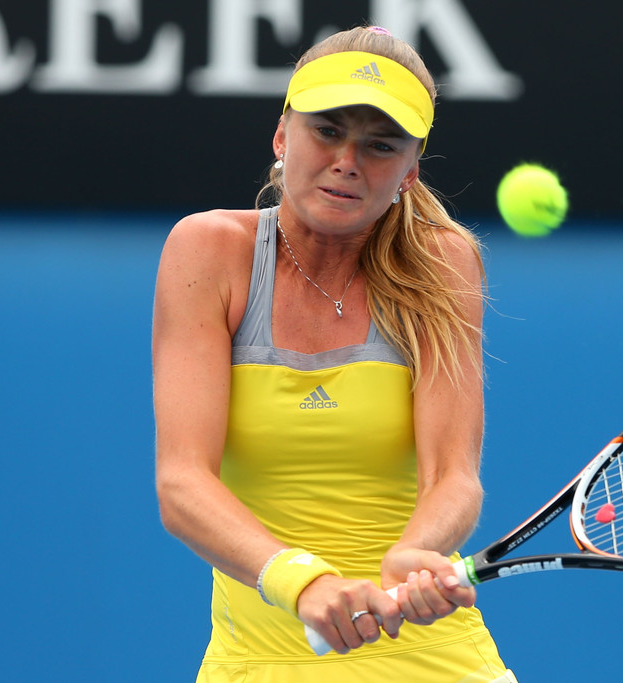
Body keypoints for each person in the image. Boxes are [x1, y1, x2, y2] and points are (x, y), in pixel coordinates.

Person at [152, 25, 516, 682]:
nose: (348, 160)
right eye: (327, 130)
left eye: (381, 145)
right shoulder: (207, 251)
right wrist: (304, 582)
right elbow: (182, 483)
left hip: (436, 664)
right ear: (281, 136)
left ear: (409, 171)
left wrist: (414, 553)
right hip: (257, 666)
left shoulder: (444, 262)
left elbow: (452, 476)